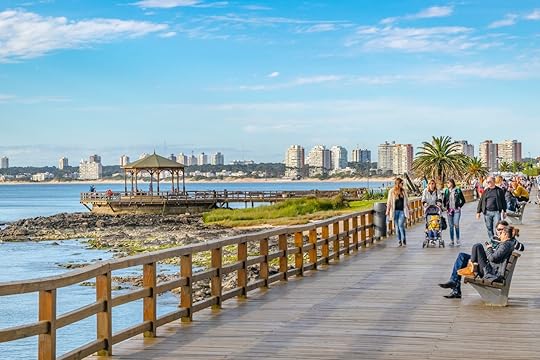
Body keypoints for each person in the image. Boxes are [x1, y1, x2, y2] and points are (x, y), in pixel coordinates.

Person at [439, 220, 524, 299]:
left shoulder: (507, 242)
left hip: (490, 266)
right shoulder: (495, 238)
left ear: (506, 231)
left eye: (502, 229)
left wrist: (511, 238)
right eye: (498, 229)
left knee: (477, 246)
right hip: (487, 261)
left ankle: (469, 268)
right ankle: (455, 284)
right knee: (462, 256)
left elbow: (520, 248)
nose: (500, 231)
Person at [476, 176, 507, 242]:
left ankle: (498, 240)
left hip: (496, 212)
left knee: (497, 227)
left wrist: (504, 211)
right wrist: (478, 212)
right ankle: (492, 240)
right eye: (487, 182)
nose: (488, 183)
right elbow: (481, 201)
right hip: (487, 212)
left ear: (493, 182)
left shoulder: (499, 191)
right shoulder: (486, 191)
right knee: (489, 227)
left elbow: (503, 201)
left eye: (489, 182)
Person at [386, 177, 410, 247]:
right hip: (394, 211)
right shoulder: (391, 191)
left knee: (400, 225)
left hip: (402, 211)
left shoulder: (404, 191)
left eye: (403, 183)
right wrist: (387, 210)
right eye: (401, 183)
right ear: (398, 183)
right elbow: (389, 201)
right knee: (397, 227)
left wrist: (409, 209)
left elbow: (407, 201)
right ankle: (399, 240)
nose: (402, 184)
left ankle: (403, 239)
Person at [443, 179, 466, 247]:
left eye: (448, 182)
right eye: (447, 183)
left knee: (456, 224)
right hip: (449, 211)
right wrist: (446, 208)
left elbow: (463, 200)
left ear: (452, 183)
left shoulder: (457, 190)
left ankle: (458, 240)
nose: (448, 184)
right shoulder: (446, 191)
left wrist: (459, 206)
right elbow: (444, 200)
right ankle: (452, 241)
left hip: (456, 211)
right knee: (451, 226)